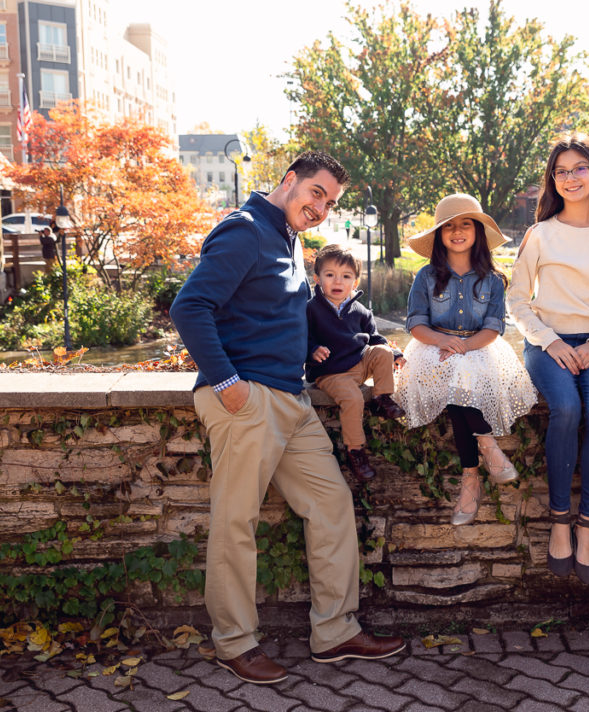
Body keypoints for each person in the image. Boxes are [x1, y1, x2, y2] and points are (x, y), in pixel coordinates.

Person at [169, 151, 405, 686]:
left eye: (332, 202)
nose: (321, 207)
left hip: (291, 400)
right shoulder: (247, 230)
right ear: (288, 181)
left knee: (330, 505)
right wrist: (229, 386)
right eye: (316, 192)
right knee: (236, 522)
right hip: (247, 401)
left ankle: (335, 631)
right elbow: (190, 307)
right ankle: (234, 642)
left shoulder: (289, 240)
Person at [507, 133, 589, 584]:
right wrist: (550, 341)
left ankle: (587, 528)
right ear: (552, 180)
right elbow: (517, 301)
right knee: (565, 409)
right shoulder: (540, 234)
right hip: (548, 344)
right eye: (561, 171)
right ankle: (560, 520)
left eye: (580, 167)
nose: (570, 177)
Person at [395, 194, 537, 525]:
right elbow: (415, 323)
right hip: (435, 346)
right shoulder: (426, 276)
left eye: (466, 224)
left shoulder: (492, 279)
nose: (457, 231)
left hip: (480, 347)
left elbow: (494, 327)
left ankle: (470, 477)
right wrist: (445, 341)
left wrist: (466, 346)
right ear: (439, 235)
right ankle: (488, 447)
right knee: (456, 377)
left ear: (477, 232)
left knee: (462, 381)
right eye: (449, 227)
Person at [306, 243, 406, 482]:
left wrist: (395, 353)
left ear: (355, 282)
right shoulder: (311, 309)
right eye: (330, 275)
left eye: (346, 277)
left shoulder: (361, 310)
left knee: (381, 351)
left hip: (359, 364)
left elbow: (374, 337)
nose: (338, 282)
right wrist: (311, 350)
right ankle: (356, 451)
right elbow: (300, 339)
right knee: (352, 398)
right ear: (318, 279)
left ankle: (383, 398)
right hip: (331, 373)